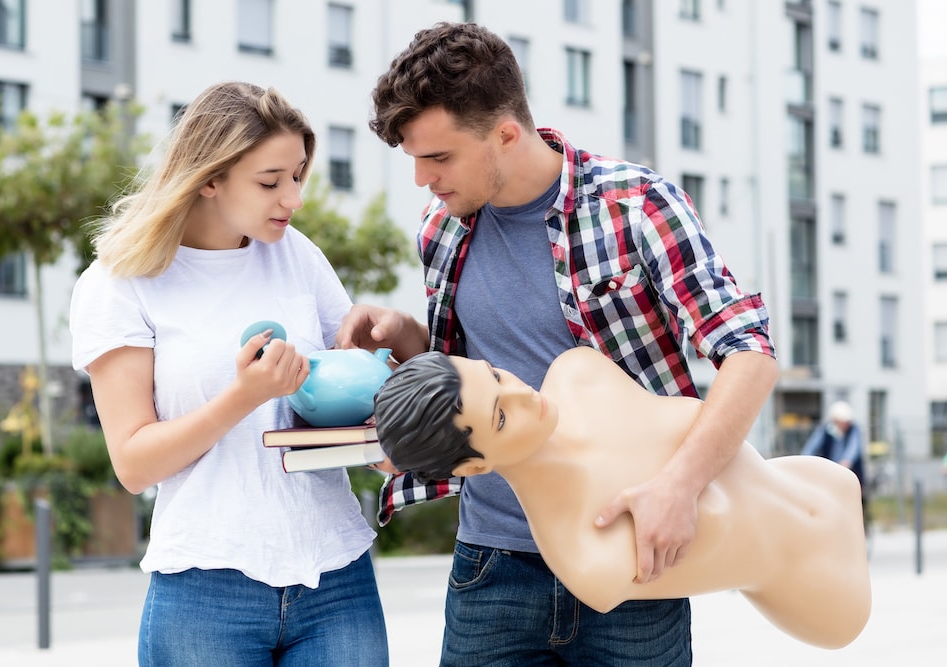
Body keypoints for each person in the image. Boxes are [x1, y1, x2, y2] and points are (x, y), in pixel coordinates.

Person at [338, 21, 778, 666]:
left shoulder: (636, 205)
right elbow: (472, 382)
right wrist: (405, 336)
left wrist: (678, 489)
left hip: (630, 563)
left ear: (506, 135)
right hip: (490, 565)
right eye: (414, 159)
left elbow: (749, 352)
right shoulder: (443, 227)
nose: (421, 180)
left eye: (438, 158)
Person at [69, 81, 388, 666]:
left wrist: (382, 413)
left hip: (335, 575)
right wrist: (243, 396)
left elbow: (349, 393)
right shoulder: (118, 285)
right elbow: (135, 463)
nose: (291, 199)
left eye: (298, 176)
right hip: (206, 591)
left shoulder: (297, 255)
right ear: (209, 178)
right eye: (270, 182)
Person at [373, 347, 871, 649]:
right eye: (502, 417)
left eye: (498, 376)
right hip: (825, 592)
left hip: (820, 480)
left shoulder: (579, 374)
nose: (526, 395)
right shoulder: (588, 556)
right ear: (475, 467)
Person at [802, 401, 867, 526]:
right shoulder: (826, 430)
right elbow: (811, 448)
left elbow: (853, 449)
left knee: (854, 503)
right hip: (829, 475)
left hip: (850, 475)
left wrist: (846, 462)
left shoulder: (854, 430)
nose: (845, 424)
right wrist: (805, 461)